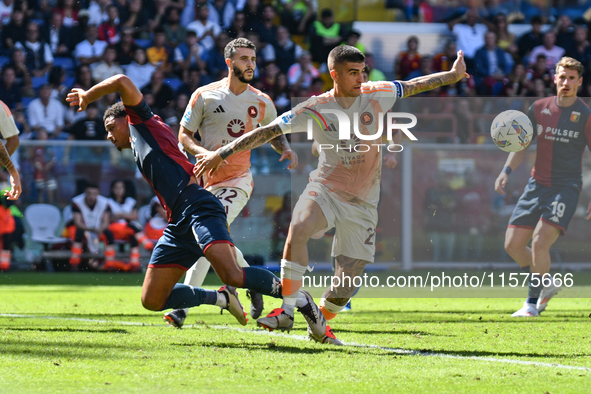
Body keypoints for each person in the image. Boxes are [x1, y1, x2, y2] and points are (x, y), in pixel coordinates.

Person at [194, 45, 468, 344]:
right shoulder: (315, 107)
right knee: (298, 227)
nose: (360, 79)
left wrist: (451, 76)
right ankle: (286, 311)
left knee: (344, 287)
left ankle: (319, 319)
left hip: (363, 202)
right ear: (334, 74)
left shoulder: (378, 92)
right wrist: (221, 153)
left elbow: (415, 85)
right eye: (353, 73)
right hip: (325, 188)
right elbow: (268, 131)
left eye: (362, 71)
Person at [66, 74, 320, 329]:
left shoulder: (142, 120)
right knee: (152, 299)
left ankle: (298, 299)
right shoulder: (139, 140)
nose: (109, 136)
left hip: (198, 205)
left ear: (126, 118)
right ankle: (221, 297)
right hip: (178, 219)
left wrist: (89, 96)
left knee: (230, 273)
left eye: (111, 128)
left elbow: (122, 80)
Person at [165, 37, 298, 328]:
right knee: (212, 239)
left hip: (238, 181)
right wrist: (206, 154)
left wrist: (285, 148)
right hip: (205, 181)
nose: (250, 64)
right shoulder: (204, 95)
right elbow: (184, 136)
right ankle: (252, 280)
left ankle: (182, 310)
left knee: (208, 239)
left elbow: (273, 132)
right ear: (229, 62)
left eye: (253, 59)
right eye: (244, 59)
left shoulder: (262, 101)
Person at [494, 57, 591, 317]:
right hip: (536, 185)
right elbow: (521, 144)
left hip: (566, 187)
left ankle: (531, 304)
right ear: (554, 78)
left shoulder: (586, 115)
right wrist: (506, 171)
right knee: (512, 245)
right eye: (562, 77)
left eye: (572, 78)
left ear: (580, 82)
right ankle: (546, 281)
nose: (566, 82)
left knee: (539, 242)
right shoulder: (538, 108)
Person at [107, 179, 153, 272]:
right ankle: (149, 246)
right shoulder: (107, 201)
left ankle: (134, 265)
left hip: (127, 230)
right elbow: (109, 217)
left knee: (133, 236)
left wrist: (120, 215)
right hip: (114, 230)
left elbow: (135, 216)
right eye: (116, 188)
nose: (118, 190)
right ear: (112, 189)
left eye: (121, 188)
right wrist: (126, 215)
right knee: (132, 227)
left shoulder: (130, 201)